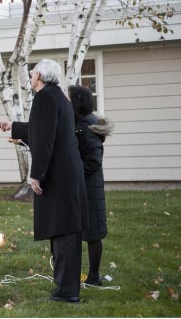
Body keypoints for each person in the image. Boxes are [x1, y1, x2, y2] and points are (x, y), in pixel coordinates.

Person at [0, 59, 87, 303]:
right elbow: (42, 128)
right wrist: (13, 127)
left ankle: (67, 292)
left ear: (39, 75)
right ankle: (64, 288)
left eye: (31, 72)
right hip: (67, 173)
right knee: (63, 230)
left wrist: (35, 175)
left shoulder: (44, 98)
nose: (30, 76)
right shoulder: (57, 96)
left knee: (64, 231)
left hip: (59, 175)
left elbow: (45, 139)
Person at [68, 85, 113, 286]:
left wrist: (76, 174)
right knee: (79, 230)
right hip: (82, 184)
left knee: (93, 232)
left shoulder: (86, 126)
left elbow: (94, 160)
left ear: (77, 102)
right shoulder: (79, 122)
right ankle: (75, 273)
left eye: (70, 99)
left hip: (89, 186)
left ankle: (94, 277)